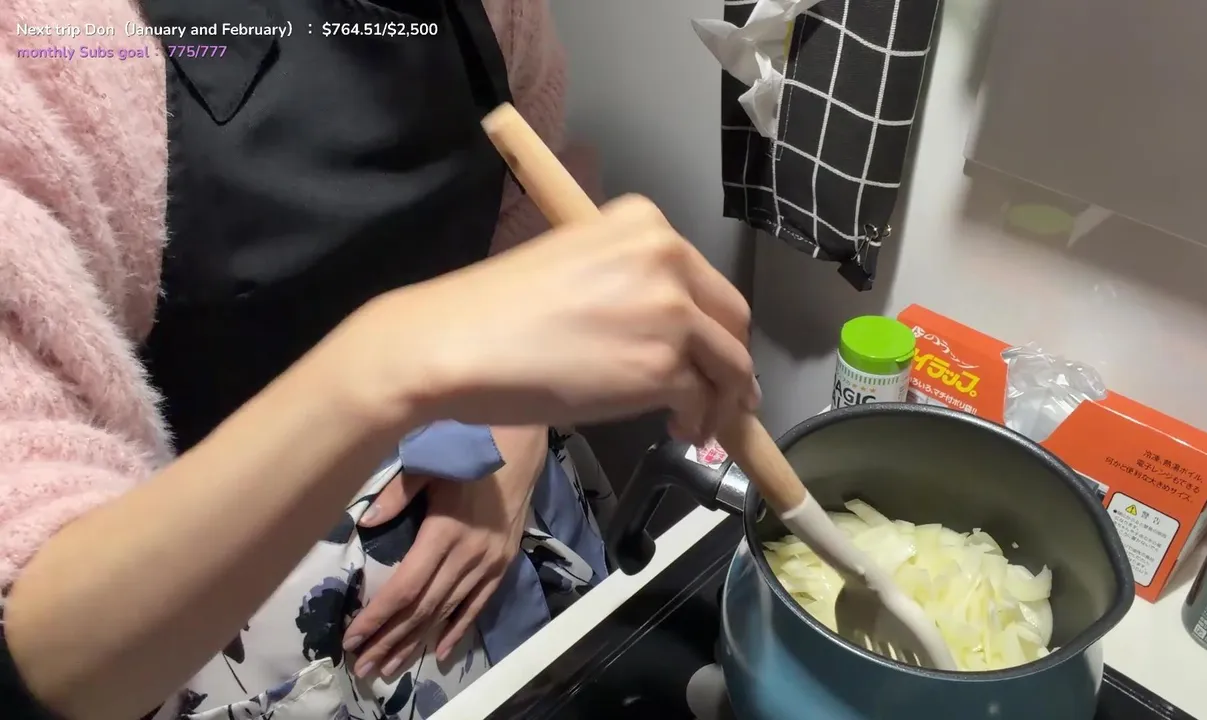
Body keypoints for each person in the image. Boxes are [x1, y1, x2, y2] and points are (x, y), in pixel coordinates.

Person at [0, 1, 757, 719]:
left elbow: (523, 205)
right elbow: (49, 648)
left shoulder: (495, 13)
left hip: (520, 525)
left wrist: (513, 423)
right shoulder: (54, 48)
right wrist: (390, 364)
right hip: (231, 636)